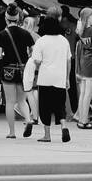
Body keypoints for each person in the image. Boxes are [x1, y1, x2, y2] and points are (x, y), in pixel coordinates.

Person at [27, 15, 72, 143]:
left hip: (45, 77)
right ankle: (64, 127)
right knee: (60, 105)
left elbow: (36, 60)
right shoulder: (64, 40)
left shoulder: (41, 41)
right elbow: (68, 61)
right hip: (60, 77)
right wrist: (67, 78)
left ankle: (47, 135)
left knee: (45, 107)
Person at [0, 5, 35, 138]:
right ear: (18, 18)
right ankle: (28, 120)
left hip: (8, 70)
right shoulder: (26, 33)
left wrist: (5, 55)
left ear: (6, 18)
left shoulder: (2, 34)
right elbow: (33, 52)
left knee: (10, 102)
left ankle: (12, 132)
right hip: (22, 70)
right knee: (22, 100)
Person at [74, 7, 92, 129]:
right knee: (88, 94)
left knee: (83, 94)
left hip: (84, 61)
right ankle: (85, 121)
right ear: (87, 18)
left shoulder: (81, 31)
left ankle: (81, 119)